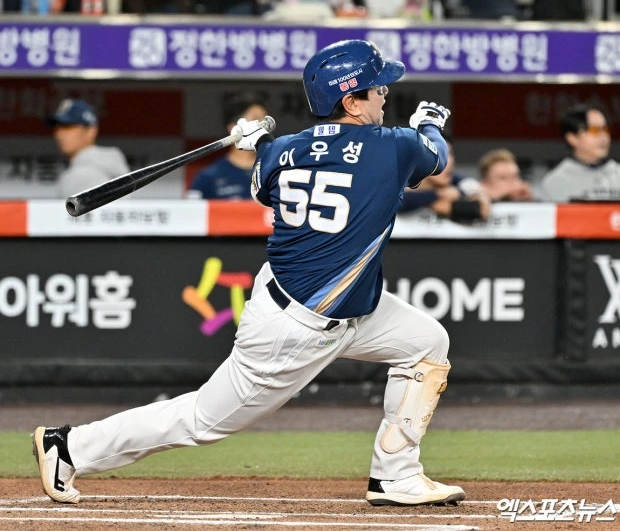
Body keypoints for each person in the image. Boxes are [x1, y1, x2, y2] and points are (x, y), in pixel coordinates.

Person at [33, 40, 465, 507]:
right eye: (378, 88)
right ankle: (70, 447)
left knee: (426, 342)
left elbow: (265, 186)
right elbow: (435, 157)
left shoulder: (282, 150)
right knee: (203, 420)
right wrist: (429, 122)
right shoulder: (395, 146)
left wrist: (257, 143)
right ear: (351, 101)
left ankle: (396, 475)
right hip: (297, 325)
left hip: (338, 305)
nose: (384, 95)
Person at [540, 104, 620, 202]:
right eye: (595, 130)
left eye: (605, 129)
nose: (604, 137)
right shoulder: (555, 182)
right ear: (572, 138)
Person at [187, 94, 268, 200]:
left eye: (266, 122)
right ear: (233, 128)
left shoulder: (276, 172)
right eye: (256, 119)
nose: (264, 128)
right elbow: (191, 209)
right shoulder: (208, 177)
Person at [46, 98, 130, 198]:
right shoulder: (106, 166)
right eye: (57, 128)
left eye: (67, 127)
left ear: (91, 131)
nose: (59, 134)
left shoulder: (84, 175)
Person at [399, 140, 491, 222]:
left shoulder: (458, 182)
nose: (449, 161)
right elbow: (399, 202)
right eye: (440, 154)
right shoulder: (399, 185)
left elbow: (481, 208)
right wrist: (438, 194)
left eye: (450, 154)